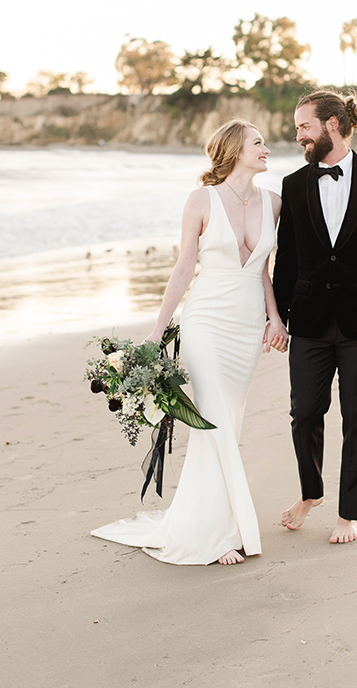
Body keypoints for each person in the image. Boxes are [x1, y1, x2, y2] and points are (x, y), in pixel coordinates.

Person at [92, 119, 288, 565]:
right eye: (259, 143)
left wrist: (275, 319)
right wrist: (157, 332)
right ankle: (217, 534)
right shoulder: (201, 200)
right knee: (212, 418)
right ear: (236, 149)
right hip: (205, 319)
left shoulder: (274, 203)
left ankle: (212, 519)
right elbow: (183, 267)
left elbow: (263, 270)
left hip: (244, 325)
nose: (267, 150)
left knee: (227, 422)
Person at [273, 88, 357, 544]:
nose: (298, 136)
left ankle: (348, 513)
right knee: (304, 411)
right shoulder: (294, 186)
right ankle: (311, 492)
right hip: (310, 322)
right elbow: (287, 259)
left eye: (304, 127)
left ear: (332, 125)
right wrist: (279, 316)